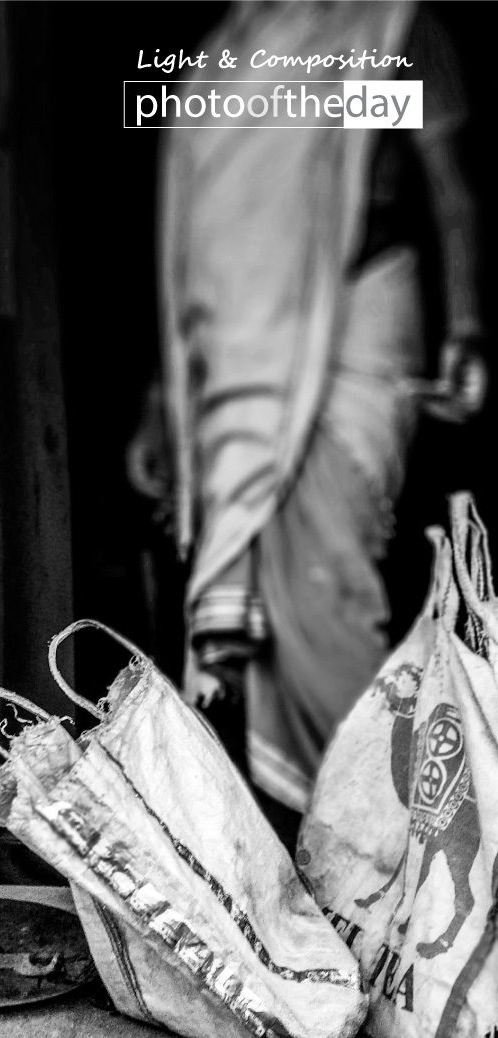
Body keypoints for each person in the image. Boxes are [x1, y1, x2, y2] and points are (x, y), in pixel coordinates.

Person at [128, 1, 488, 840]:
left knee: (331, 586)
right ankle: (326, 856)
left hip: (358, 319)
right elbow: (199, 255)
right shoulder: (227, 56)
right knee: (263, 638)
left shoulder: (393, 28)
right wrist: (161, 400)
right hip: (240, 355)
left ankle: (384, 847)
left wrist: (466, 325)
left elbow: (447, 189)